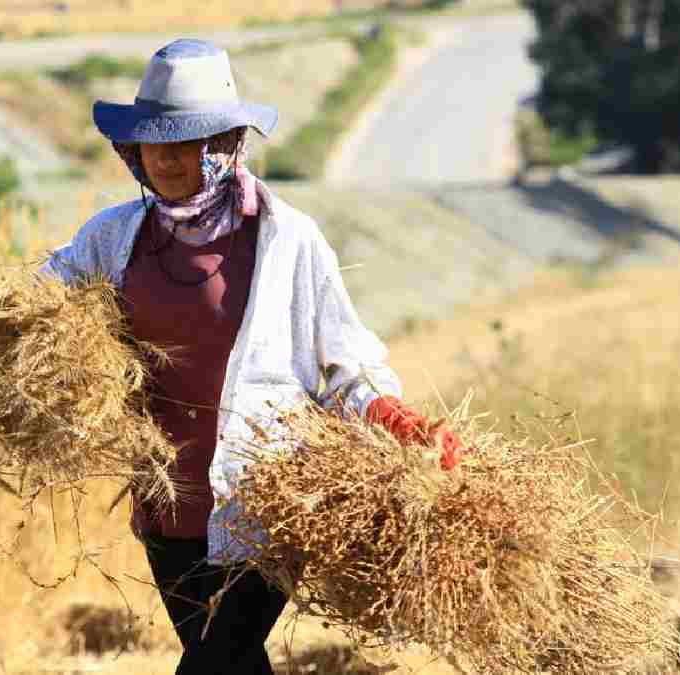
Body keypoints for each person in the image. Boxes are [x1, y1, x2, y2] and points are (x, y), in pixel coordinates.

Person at [41, 38, 465, 675]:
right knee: (229, 662)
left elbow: (341, 362)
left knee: (217, 659)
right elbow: (45, 302)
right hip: (168, 501)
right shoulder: (113, 238)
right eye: (155, 142)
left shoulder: (285, 238)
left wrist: (394, 418)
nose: (167, 159)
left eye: (186, 142)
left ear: (225, 145)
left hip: (263, 497)